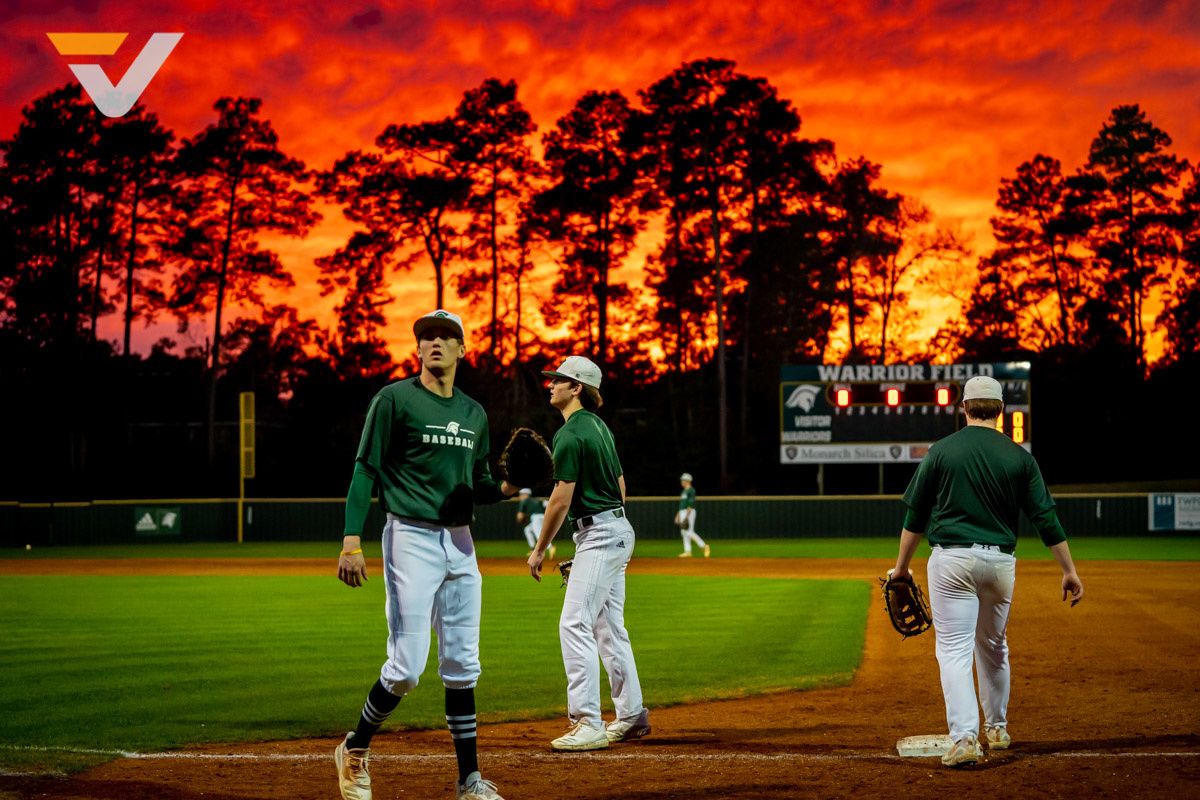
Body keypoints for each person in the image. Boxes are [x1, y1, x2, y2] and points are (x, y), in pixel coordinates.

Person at [334, 309, 514, 800]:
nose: (435, 343)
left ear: (461, 350)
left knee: (462, 665)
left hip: (460, 542)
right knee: (407, 668)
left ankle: (469, 780)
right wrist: (353, 540)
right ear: (417, 349)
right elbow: (365, 470)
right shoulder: (394, 399)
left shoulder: (474, 413)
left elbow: (478, 484)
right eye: (427, 337)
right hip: (409, 537)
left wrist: (507, 485)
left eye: (446, 337)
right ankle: (354, 748)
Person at [891, 375, 1084, 768]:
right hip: (1000, 564)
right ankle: (997, 728)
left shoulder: (942, 451)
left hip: (952, 562)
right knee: (993, 646)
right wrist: (1069, 570)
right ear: (1001, 411)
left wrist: (901, 568)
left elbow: (916, 515)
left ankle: (964, 738)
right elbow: (1045, 518)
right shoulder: (1019, 458)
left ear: (964, 408)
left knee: (954, 650)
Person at [526, 355, 651, 752]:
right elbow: (620, 482)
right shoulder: (599, 427)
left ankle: (587, 722)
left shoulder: (569, 433)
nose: (550, 385)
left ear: (577, 388)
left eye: (558, 380)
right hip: (614, 529)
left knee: (574, 623)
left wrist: (540, 548)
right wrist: (605, 533)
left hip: (599, 535)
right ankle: (630, 715)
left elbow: (561, 498)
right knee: (609, 628)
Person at [674, 472, 710, 558]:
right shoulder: (683, 491)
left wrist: (686, 515)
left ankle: (704, 546)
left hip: (689, 512)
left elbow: (690, 504)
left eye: (683, 480)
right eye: (682, 480)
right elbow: (681, 504)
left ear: (688, 481)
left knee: (689, 532)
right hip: (682, 512)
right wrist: (678, 515)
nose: (681, 481)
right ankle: (688, 551)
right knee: (684, 532)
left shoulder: (691, 490)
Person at [515, 488, 554, 560]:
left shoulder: (524, 501)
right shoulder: (537, 500)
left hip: (536, 518)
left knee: (538, 534)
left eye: (521, 494)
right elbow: (548, 504)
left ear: (525, 494)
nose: (520, 496)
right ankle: (533, 549)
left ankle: (550, 547)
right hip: (543, 517)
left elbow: (519, 516)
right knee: (528, 530)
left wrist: (520, 519)